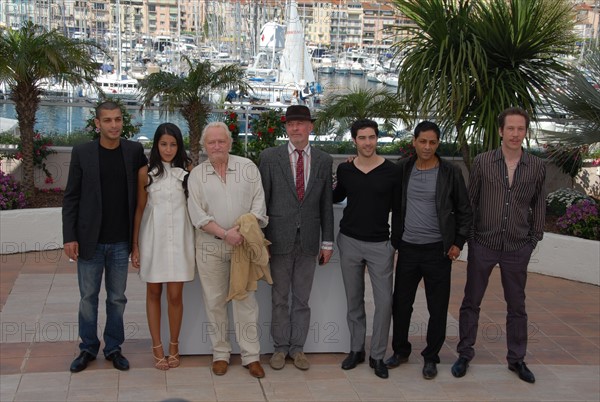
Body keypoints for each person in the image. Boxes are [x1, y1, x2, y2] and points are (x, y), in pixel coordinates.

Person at [452, 107, 546, 384]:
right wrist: (470, 237)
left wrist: (533, 239)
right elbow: (472, 201)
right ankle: (464, 354)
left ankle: (516, 358)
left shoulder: (537, 166)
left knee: (517, 305)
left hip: (518, 246)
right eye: (511, 129)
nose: (515, 134)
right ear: (500, 131)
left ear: (525, 132)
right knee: (471, 301)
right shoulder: (483, 162)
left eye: (520, 129)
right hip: (483, 243)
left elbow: (539, 205)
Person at [62, 100, 148, 373]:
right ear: (97, 124)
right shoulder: (83, 152)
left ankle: (113, 348)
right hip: (90, 240)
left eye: (118, 120)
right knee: (88, 298)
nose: (114, 125)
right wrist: (69, 237)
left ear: (123, 121)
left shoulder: (134, 151)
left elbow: (148, 188)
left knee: (117, 298)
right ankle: (87, 347)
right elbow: (71, 197)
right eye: (108, 120)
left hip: (121, 242)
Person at [385, 121, 472, 380]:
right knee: (401, 305)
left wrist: (457, 243)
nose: (427, 147)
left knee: (437, 307)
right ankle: (400, 351)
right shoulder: (402, 169)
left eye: (432, 142)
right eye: (422, 141)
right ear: (414, 142)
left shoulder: (450, 172)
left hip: (438, 251)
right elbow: (378, 181)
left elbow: (465, 211)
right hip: (409, 249)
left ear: (438, 144)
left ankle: (431, 357)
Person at [187, 122, 268, 379]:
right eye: (211, 142)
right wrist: (225, 234)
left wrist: (242, 232)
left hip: (242, 247)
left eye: (221, 141)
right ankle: (220, 354)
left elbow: (259, 206)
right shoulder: (197, 175)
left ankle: (251, 356)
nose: (217, 146)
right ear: (204, 146)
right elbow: (197, 214)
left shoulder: (247, 167)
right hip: (210, 247)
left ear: (230, 143)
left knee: (245, 302)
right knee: (215, 302)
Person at [258, 105, 334, 371]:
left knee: (302, 298)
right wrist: (262, 240)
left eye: (301, 123)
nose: (295, 128)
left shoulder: (324, 160)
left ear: (310, 127)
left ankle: (298, 349)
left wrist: (327, 242)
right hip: (278, 239)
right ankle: (279, 349)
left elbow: (326, 204)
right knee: (279, 297)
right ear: (286, 128)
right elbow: (262, 202)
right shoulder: (270, 157)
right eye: (291, 124)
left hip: (309, 240)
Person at [333, 119, 400, 379]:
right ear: (354, 140)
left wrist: (396, 242)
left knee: (384, 303)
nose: (368, 142)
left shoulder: (393, 172)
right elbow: (337, 196)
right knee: (354, 300)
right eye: (362, 138)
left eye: (372, 137)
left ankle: (378, 355)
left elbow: (400, 208)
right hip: (349, 241)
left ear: (377, 139)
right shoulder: (346, 169)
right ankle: (356, 349)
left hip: (380, 244)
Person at [131, 123, 195, 370]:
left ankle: (174, 345)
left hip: (180, 238)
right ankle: (157, 346)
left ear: (179, 146)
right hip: (153, 238)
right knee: (154, 292)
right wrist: (135, 245)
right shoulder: (145, 172)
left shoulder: (189, 170)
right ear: (156, 145)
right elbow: (140, 209)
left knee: (175, 295)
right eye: (163, 144)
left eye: (173, 144)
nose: (168, 149)